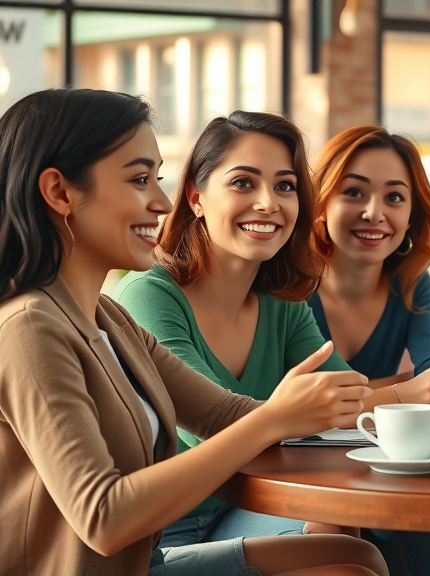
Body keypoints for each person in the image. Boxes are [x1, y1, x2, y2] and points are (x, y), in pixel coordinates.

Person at [0, 89, 386, 576]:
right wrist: (275, 418)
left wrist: (300, 410)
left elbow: (223, 415)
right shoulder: (30, 327)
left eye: (157, 179)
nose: (162, 203)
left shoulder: (106, 318)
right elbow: (102, 519)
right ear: (59, 192)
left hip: (146, 562)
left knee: (354, 555)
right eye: (139, 179)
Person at [113, 112, 374, 559]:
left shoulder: (281, 301)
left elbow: (342, 402)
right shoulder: (147, 297)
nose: (268, 203)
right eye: (243, 183)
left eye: (285, 186)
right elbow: (210, 432)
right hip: (159, 532)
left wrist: (414, 395)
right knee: (343, 544)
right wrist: (293, 414)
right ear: (196, 197)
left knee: (347, 523)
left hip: (241, 505)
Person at [307, 125, 430, 576]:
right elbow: (305, 402)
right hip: (301, 472)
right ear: (322, 202)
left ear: (413, 215)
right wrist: (403, 390)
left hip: (382, 461)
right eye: (354, 192)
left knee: (424, 517)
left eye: (394, 197)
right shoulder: (290, 285)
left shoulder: (410, 282)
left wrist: (424, 386)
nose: (374, 212)